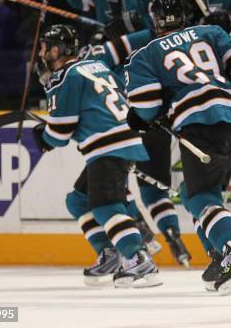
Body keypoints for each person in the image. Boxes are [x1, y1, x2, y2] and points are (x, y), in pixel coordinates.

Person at [47, 0, 191, 265]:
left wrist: (115, 46)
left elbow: (166, 31)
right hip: (123, 94)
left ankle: (156, 236)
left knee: (135, 177)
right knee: (124, 173)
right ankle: (146, 231)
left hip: (153, 92)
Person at [124, 0, 231, 295]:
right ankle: (219, 257)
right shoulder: (210, 33)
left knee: (203, 195)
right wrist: (224, 89)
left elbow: (146, 105)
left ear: (154, 20)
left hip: (197, 127)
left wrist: (144, 117)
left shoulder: (145, 54)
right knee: (193, 192)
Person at [33, 24, 161, 288]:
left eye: (45, 46)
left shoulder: (64, 76)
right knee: (78, 201)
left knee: (105, 207)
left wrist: (42, 137)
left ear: (56, 50)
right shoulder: (96, 65)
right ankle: (111, 253)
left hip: (107, 145)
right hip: (123, 138)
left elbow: (59, 133)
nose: (42, 51)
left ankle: (137, 259)